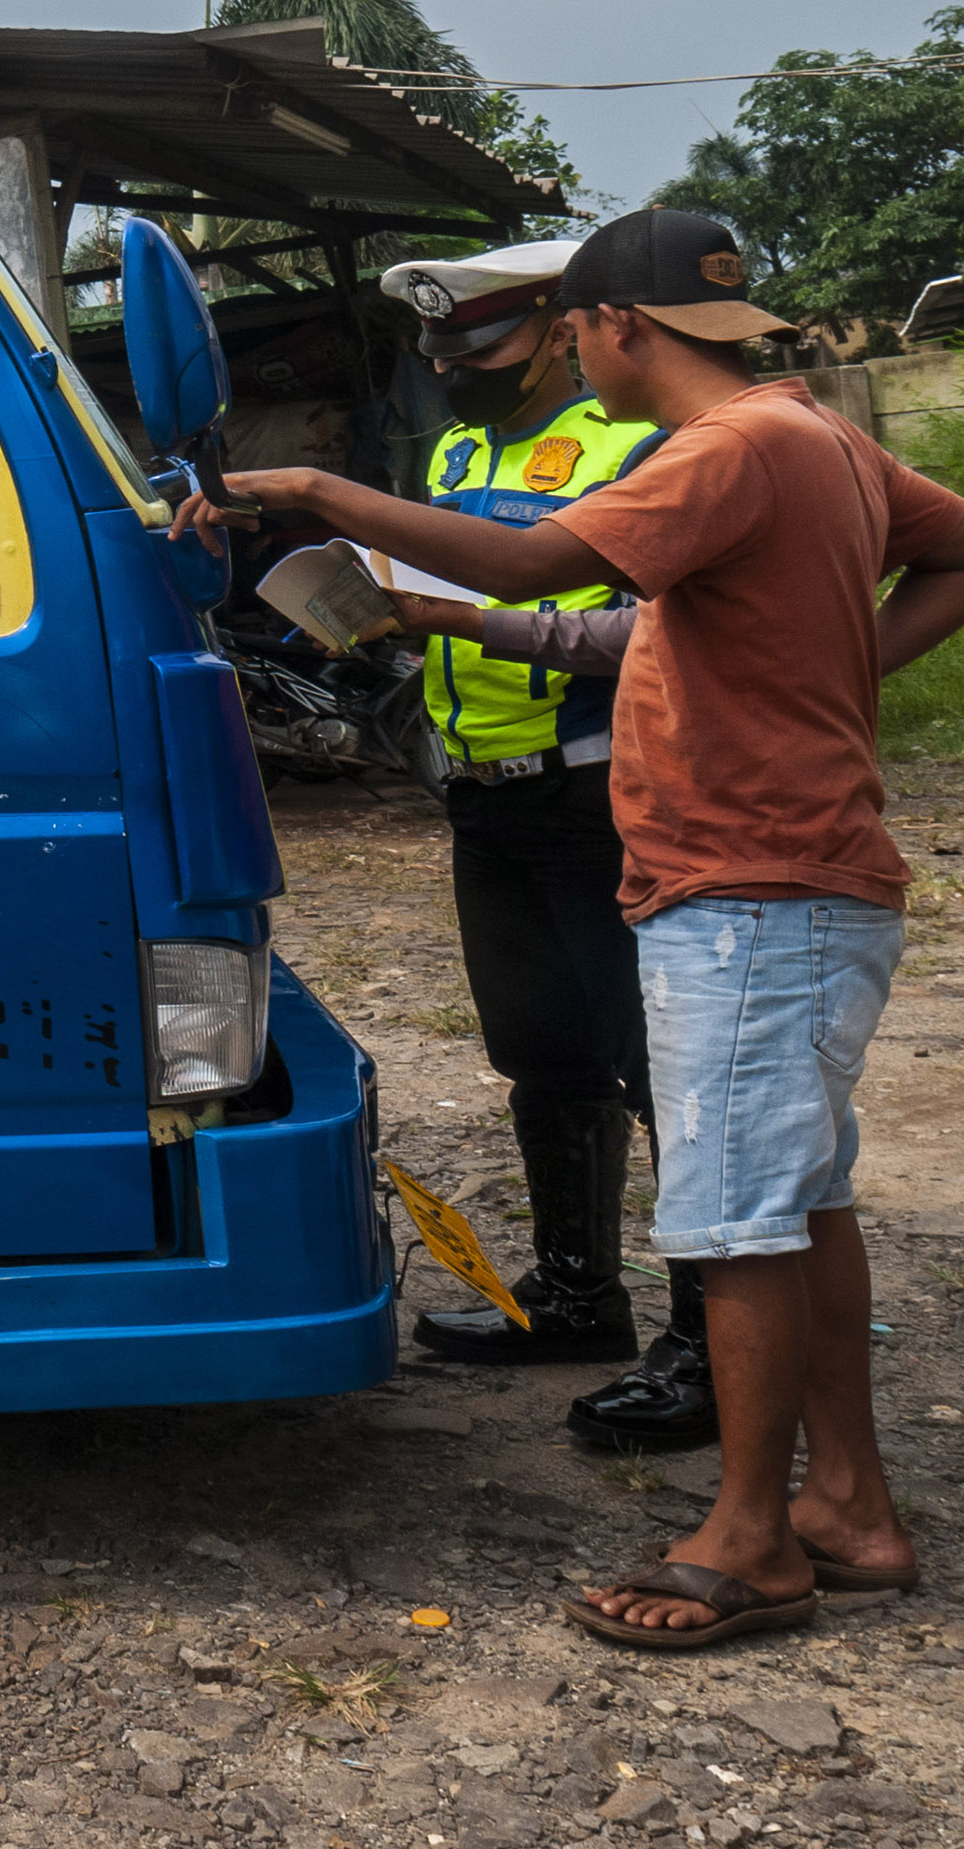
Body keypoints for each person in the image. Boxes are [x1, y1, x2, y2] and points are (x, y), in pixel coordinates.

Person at [179, 207, 964, 1650]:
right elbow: (622, 628)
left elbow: (542, 568)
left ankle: (749, 1539)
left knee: (733, 1217)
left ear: (611, 327)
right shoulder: (819, 439)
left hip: (747, 892)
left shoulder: (721, 450)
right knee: (805, 1199)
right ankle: (845, 1504)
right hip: (799, 882)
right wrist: (413, 612)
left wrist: (309, 489)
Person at [362, 241, 711, 1449]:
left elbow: (643, 624)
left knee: (660, 1073)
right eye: (439, 355)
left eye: (480, 352)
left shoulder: (639, 448)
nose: (454, 374)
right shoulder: (456, 453)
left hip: (602, 790)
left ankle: (709, 1348)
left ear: (562, 333)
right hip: (485, 795)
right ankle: (574, 1297)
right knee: (541, 1052)